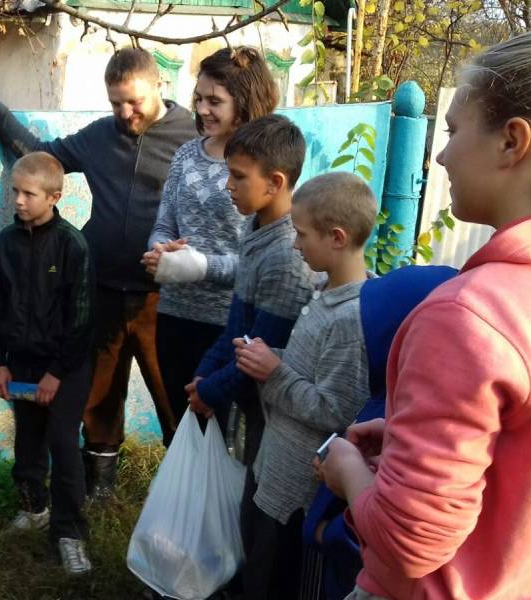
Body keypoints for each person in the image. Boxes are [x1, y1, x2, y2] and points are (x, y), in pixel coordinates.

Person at [319, 29, 531, 600]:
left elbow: (407, 543)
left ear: (512, 142)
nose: (442, 154)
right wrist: (411, 445)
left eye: (452, 131)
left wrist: (346, 468)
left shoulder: (467, 315)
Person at [0, 47, 198, 499]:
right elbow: (43, 157)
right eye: (115, 103)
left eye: (135, 101)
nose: (125, 113)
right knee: (99, 398)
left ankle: (184, 497)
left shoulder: (192, 136)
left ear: (159, 87)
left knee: (174, 396)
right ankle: (99, 491)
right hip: (100, 289)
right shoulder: (101, 135)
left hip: (162, 297)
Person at [230, 171, 376, 598]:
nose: (295, 244)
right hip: (272, 471)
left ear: (336, 237)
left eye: (301, 235)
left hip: (298, 495)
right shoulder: (322, 292)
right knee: (255, 569)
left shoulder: (350, 320)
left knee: (276, 582)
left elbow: (336, 411)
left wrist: (273, 372)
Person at [141, 46, 279, 439]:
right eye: (198, 99)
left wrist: (199, 266)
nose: (201, 109)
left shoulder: (261, 169)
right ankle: (186, 502)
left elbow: (260, 261)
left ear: (245, 102)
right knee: (181, 433)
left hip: (229, 327)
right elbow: (165, 221)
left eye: (214, 101)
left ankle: (221, 504)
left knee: (221, 439)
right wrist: (160, 251)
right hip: (174, 316)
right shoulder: (186, 154)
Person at [301, 264, 457, 600]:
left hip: (359, 565)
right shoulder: (388, 400)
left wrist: (331, 527)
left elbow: (406, 521)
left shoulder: (416, 413)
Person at [0, 152, 95, 575]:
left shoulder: (73, 245)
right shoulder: (6, 244)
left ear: (54, 197)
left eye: (28, 193)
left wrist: (56, 373)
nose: (18, 200)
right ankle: (34, 507)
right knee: (27, 441)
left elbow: (82, 318)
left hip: (65, 368)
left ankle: (69, 533)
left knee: (64, 446)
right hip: (21, 363)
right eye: (14, 191)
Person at [187, 114, 314, 465]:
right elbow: (236, 326)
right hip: (249, 404)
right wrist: (206, 371)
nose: (228, 185)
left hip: (272, 414)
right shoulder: (257, 228)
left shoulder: (288, 255)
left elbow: (261, 350)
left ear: (274, 182)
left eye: (238, 176)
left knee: (255, 505)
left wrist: (211, 390)